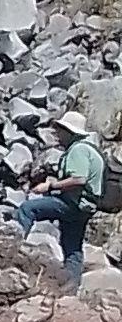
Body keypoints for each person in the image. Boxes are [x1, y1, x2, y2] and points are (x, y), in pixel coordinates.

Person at [13, 111, 105, 288]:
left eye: (60, 129)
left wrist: (50, 186)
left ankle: (11, 247)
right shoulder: (90, 149)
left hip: (72, 204)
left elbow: (79, 179)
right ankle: (70, 290)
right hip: (85, 208)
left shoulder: (78, 150)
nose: (56, 132)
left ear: (69, 131)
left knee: (28, 209)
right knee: (73, 249)